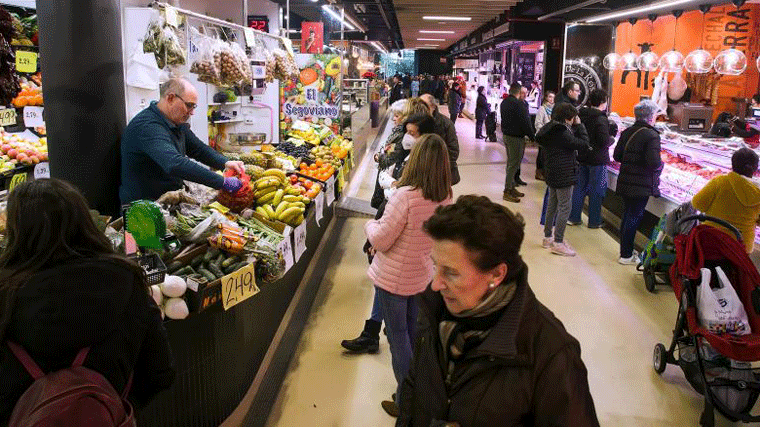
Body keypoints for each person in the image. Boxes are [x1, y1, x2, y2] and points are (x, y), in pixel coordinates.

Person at [397, 195, 599, 427]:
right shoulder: (434, 311)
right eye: (435, 266)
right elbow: (414, 391)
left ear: (496, 275)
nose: (435, 284)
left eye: (451, 273)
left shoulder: (551, 353)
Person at [0, 179, 175, 425]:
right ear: (84, 222)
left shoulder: (5, 295)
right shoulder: (126, 282)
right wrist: (113, 406)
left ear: (16, 232)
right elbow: (160, 373)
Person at [364, 134, 452, 417]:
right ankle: (416, 392)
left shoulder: (406, 196)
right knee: (413, 335)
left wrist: (369, 225)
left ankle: (408, 401)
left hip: (393, 279)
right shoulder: (446, 196)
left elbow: (382, 239)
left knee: (399, 339)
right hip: (421, 275)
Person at [119, 77, 245, 205]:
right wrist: (222, 182)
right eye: (189, 105)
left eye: (194, 106)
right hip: (143, 208)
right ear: (170, 98)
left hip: (166, 201)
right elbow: (175, 163)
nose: (192, 112)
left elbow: (198, 149)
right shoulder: (148, 126)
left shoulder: (174, 122)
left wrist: (225, 163)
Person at [537, 103, 591, 257]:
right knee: (565, 207)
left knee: (552, 205)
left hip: (552, 171)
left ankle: (548, 237)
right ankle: (558, 242)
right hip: (564, 172)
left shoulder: (550, 128)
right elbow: (583, 144)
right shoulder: (562, 132)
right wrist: (580, 127)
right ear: (570, 117)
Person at [613, 100, 663, 265]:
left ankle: (625, 251)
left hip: (626, 179)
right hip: (640, 184)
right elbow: (653, 162)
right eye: (656, 114)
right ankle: (626, 255)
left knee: (628, 215)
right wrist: (662, 164)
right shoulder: (652, 135)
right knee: (634, 217)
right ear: (650, 117)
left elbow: (617, 156)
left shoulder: (628, 131)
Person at [692, 148, 760, 253]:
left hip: (710, 238)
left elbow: (697, 204)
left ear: (732, 164)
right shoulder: (758, 192)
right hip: (741, 247)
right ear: (755, 169)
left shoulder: (720, 181)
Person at [569, 89, 617, 229]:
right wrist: (612, 138)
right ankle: (594, 221)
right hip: (597, 160)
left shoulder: (582, 114)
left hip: (583, 156)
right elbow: (603, 140)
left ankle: (574, 217)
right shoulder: (601, 118)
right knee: (597, 191)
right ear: (603, 102)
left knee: (579, 188)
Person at [500, 83, 534, 203]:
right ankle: (507, 190)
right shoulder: (519, 104)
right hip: (516, 137)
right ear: (519, 93)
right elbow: (525, 121)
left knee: (511, 163)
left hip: (507, 135)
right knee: (514, 164)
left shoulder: (504, 102)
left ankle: (512, 186)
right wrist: (532, 136)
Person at [420, 94, 461, 185]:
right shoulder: (416, 123)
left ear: (433, 107)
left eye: (424, 105)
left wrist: (436, 166)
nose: (420, 108)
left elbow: (453, 151)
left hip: (440, 175)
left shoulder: (445, 124)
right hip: (420, 174)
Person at [534, 91, 555, 181]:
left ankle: (547, 172)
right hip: (543, 135)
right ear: (546, 98)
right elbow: (538, 123)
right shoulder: (542, 109)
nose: (551, 99)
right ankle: (539, 172)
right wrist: (544, 130)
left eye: (553, 97)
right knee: (541, 154)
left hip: (551, 137)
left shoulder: (555, 109)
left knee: (547, 155)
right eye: (550, 97)